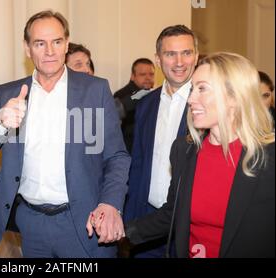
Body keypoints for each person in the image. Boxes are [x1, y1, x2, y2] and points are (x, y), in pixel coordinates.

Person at [0, 10, 130, 258]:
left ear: (66, 44)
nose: (49, 51)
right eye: (39, 43)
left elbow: (116, 156)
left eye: (56, 42)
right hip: (31, 224)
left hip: (83, 223)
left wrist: (110, 202)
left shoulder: (94, 90)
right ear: (27, 48)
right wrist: (1, 121)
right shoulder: (10, 94)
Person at [122, 52, 275, 258]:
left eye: (202, 88)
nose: (191, 98)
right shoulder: (184, 151)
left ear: (234, 96)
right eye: (193, 89)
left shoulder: (269, 157)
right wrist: (122, 231)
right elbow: (173, 214)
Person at [124, 25, 199, 257]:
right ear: (158, 59)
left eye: (186, 53)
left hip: (188, 227)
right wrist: (130, 220)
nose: (179, 62)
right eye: (170, 54)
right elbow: (138, 163)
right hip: (146, 223)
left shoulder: (206, 104)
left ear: (196, 56)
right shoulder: (146, 104)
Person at [114, 58, 155, 152]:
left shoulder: (152, 94)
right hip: (129, 152)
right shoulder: (122, 96)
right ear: (132, 76)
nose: (148, 78)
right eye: (143, 74)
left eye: (151, 74)